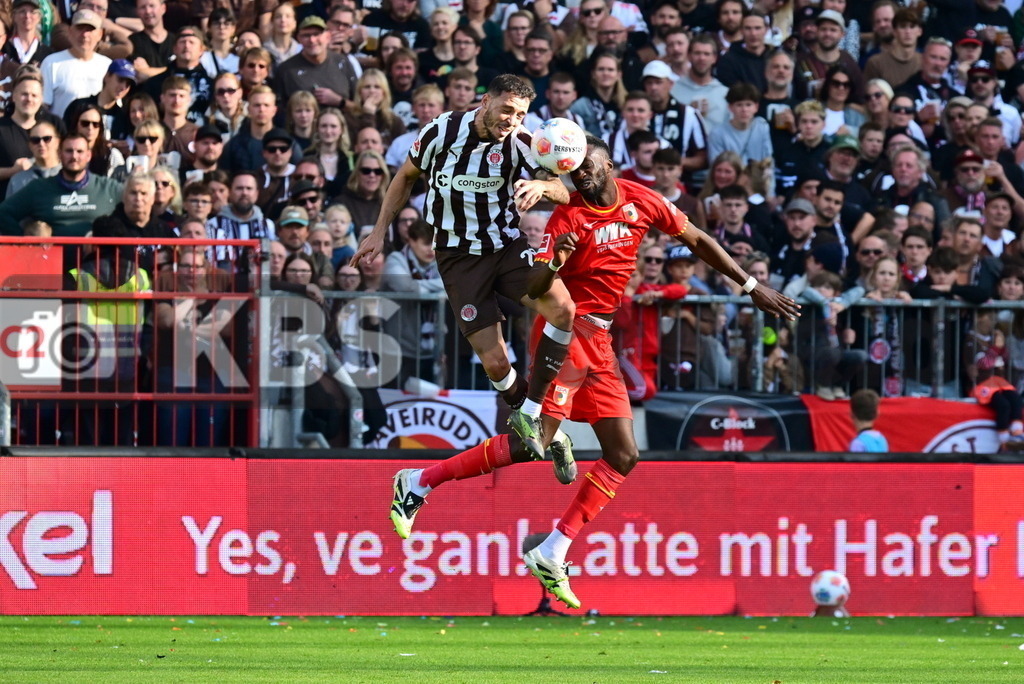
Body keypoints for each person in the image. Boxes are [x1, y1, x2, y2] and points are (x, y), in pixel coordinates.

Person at [386, 134, 799, 609]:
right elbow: (537, 287)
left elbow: (698, 239)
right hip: (566, 334)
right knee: (530, 443)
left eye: (588, 165)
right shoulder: (568, 216)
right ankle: (419, 481)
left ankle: (553, 548)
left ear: (609, 164)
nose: (580, 174)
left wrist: (750, 285)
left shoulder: (641, 199)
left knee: (623, 454)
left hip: (600, 341)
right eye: (573, 169)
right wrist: (555, 261)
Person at [353, 75, 577, 467]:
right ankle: (547, 429)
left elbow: (562, 189)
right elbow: (405, 176)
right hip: (458, 259)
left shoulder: (523, 142)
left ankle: (535, 412)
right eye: (507, 110)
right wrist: (378, 232)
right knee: (495, 363)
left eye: (520, 114)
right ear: (485, 101)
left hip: (505, 248)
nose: (512, 120)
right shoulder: (441, 131)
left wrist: (543, 188)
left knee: (563, 309)